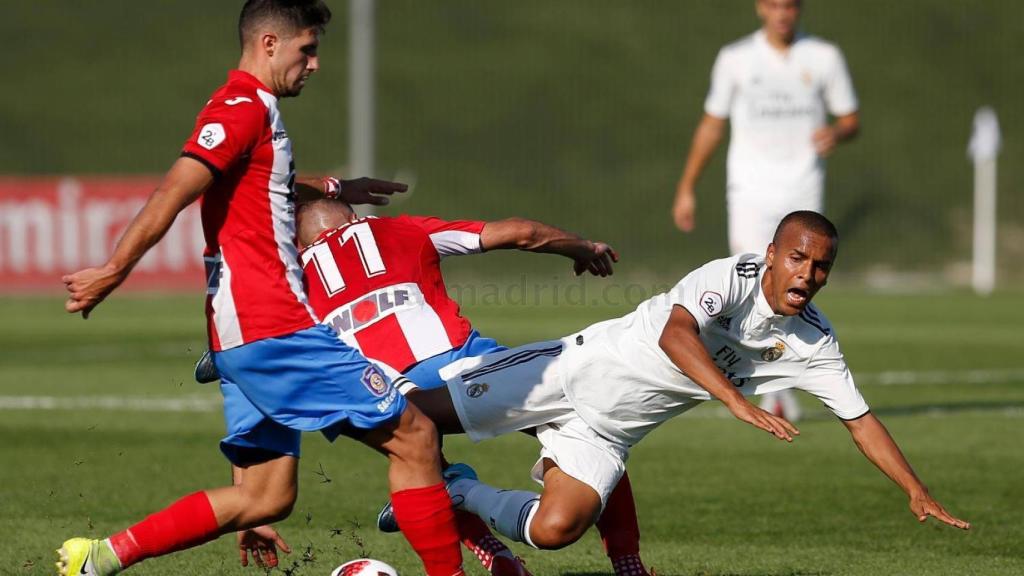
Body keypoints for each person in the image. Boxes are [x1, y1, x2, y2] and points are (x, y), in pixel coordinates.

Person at [57, 2, 466, 575]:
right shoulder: (244, 105)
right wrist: (114, 268)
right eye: (307, 48)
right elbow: (179, 185)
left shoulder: (249, 110)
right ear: (269, 43)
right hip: (274, 326)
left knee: (264, 498)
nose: (315, 63)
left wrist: (337, 185)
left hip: (242, 336)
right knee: (416, 437)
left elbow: (258, 173)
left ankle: (98, 558)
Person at [406, 211, 970, 554]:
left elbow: (861, 420)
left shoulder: (815, 342)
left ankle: (459, 492)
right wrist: (734, 401)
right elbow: (676, 335)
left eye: (821, 266)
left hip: (609, 433)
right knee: (409, 418)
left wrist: (914, 489)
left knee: (557, 528)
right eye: (797, 257)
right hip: (568, 372)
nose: (808, 273)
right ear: (771, 255)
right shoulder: (733, 275)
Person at [198, 198, 655, 575]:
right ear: (356, 218)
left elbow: (250, 372)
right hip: (472, 368)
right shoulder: (401, 230)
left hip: (393, 397)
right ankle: (627, 561)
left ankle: (491, 552)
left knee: (422, 461)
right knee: (587, 419)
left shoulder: (291, 280)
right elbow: (518, 232)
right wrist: (579, 247)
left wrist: (246, 499)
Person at [671, 0, 861, 421]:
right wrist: (687, 188)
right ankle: (744, 379)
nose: (782, 12)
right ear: (761, 8)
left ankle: (776, 385)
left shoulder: (824, 57)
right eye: (774, 4)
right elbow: (712, 123)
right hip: (749, 190)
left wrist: (837, 132)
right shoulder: (735, 58)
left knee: (793, 287)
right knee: (754, 283)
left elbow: (851, 118)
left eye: (790, 5)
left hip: (801, 190)